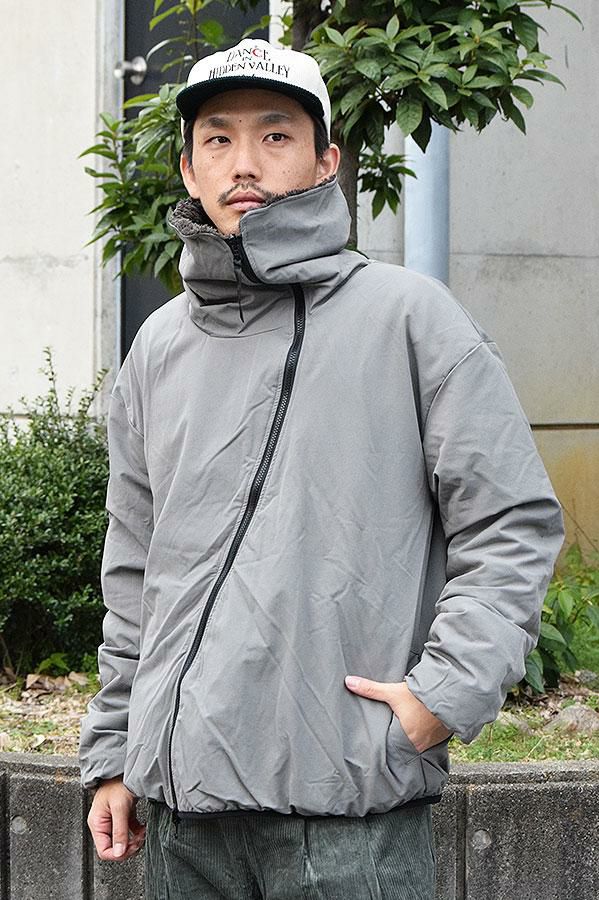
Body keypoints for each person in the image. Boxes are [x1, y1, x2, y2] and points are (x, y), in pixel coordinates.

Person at [79, 38, 564, 900]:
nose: (244, 163)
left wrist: (440, 696)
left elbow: (510, 524)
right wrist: (115, 749)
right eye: (218, 139)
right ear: (188, 169)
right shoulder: (157, 348)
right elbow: (135, 567)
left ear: (326, 161)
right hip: (183, 823)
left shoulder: (410, 319)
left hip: (349, 821)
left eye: (275, 135)